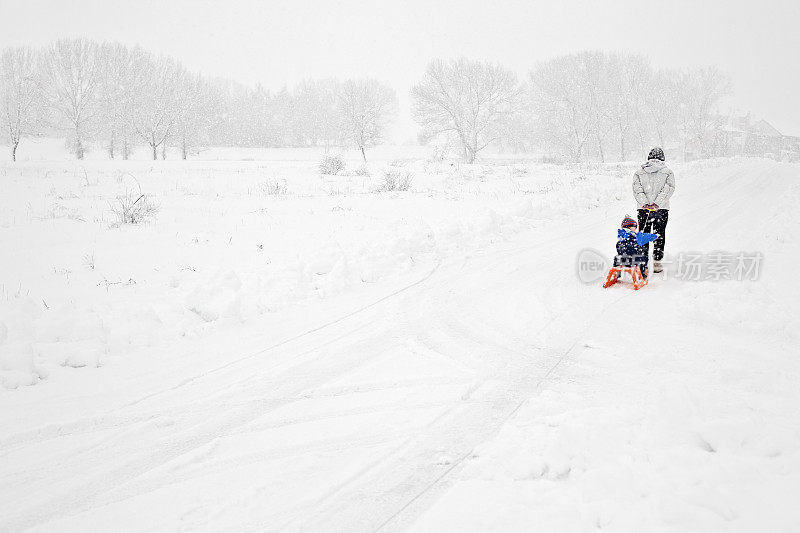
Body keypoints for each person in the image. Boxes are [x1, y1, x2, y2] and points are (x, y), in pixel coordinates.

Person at [632, 147, 675, 273]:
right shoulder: (667, 172)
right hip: (661, 210)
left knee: (644, 234)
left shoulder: (639, 173)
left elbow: (637, 189)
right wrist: (657, 203)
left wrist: (645, 203)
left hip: (643, 210)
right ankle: (657, 262)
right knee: (659, 234)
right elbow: (669, 189)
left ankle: (642, 263)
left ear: (649, 158)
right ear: (662, 158)